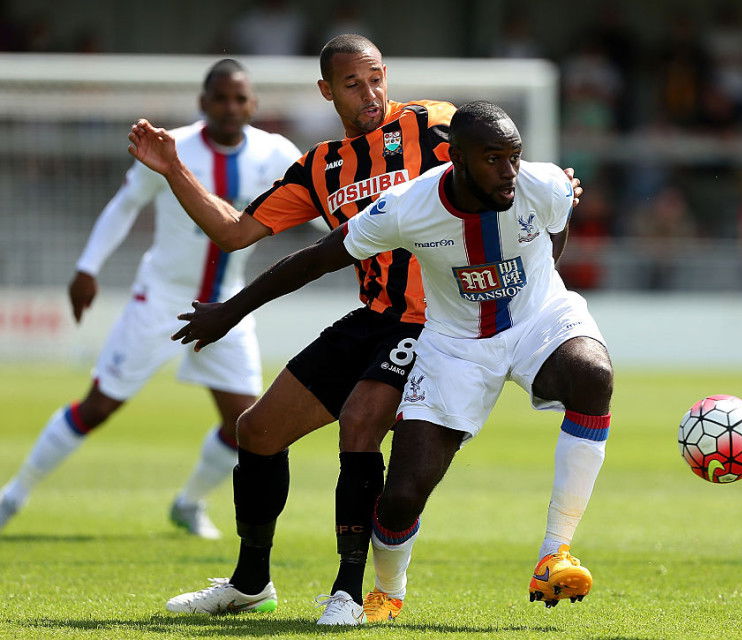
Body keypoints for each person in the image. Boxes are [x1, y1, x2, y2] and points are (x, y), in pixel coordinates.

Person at [170, 101, 613, 618]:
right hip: (453, 344)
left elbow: (556, 224)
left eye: (514, 156)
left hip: (538, 318)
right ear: (456, 160)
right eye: (493, 159)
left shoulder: (546, 183)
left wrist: (537, 286)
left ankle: (553, 553)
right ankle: (387, 588)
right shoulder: (407, 206)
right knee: (401, 497)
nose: (509, 170)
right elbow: (315, 258)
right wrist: (230, 310)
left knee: (592, 374)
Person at [0, 59, 301, 540]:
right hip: (161, 299)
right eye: (220, 98)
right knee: (98, 407)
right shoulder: (172, 147)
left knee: (247, 423)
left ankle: (188, 504)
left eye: (240, 98)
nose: (230, 107)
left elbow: (317, 202)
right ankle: (12, 496)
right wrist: (87, 267)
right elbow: (125, 204)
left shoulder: (277, 152)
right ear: (203, 103)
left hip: (227, 306)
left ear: (254, 105)